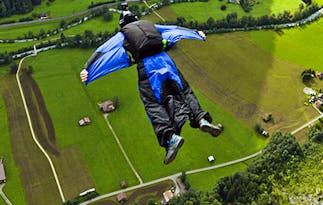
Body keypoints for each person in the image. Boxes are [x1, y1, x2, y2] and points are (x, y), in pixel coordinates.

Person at [80, 10, 223, 164]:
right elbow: (173, 29)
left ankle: (170, 137)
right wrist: (195, 33)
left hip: (148, 68)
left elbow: (103, 50)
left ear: (123, 24)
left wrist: (87, 68)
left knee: (153, 104)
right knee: (184, 91)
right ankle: (201, 120)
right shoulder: (150, 25)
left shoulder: (123, 34)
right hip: (166, 61)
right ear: (136, 19)